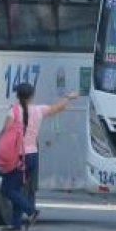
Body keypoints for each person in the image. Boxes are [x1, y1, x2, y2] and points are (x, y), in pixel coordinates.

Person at [16, 83, 79, 216]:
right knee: (29, 186)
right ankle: (26, 215)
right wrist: (69, 97)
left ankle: (24, 215)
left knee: (14, 188)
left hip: (17, 155)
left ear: (17, 96)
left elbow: (5, 131)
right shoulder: (39, 110)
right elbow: (58, 108)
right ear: (32, 96)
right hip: (32, 154)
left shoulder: (14, 111)